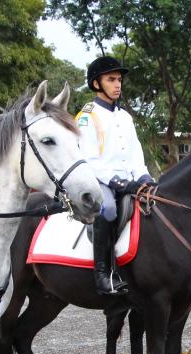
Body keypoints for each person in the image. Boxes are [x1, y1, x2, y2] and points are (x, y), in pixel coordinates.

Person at [75, 56, 155, 296]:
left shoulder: (125, 117)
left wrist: (144, 178)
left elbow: (136, 155)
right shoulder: (87, 116)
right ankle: (103, 273)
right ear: (97, 84)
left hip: (130, 180)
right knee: (108, 208)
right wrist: (119, 182)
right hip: (100, 179)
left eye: (119, 80)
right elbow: (90, 159)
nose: (118, 84)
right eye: (111, 80)